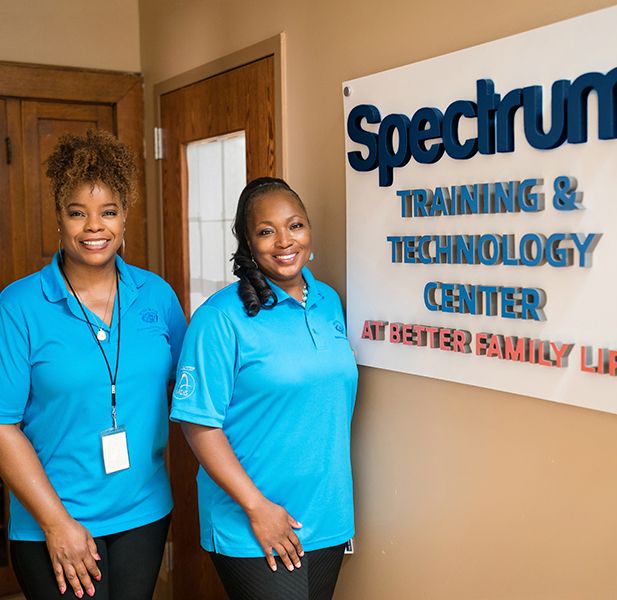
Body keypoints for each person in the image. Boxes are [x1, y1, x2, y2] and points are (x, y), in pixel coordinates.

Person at [0, 129, 187, 600]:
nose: (94, 227)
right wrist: (56, 523)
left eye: (108, 212)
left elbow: (193, 391)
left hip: (143, 513)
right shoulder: (19, 305)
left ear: (126, 216)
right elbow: (2, 425)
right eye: (77, 213)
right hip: (53, 519)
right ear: (59, 218)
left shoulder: (157, 296)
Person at [170, 177, 357, 600]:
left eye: (295, 226)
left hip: (326, 513)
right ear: (248, 242)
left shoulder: (328, 301)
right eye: (265, 231)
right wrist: (257, 508)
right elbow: (198, 425)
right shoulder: (219, 319)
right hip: (253, 519)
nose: (284, 241)